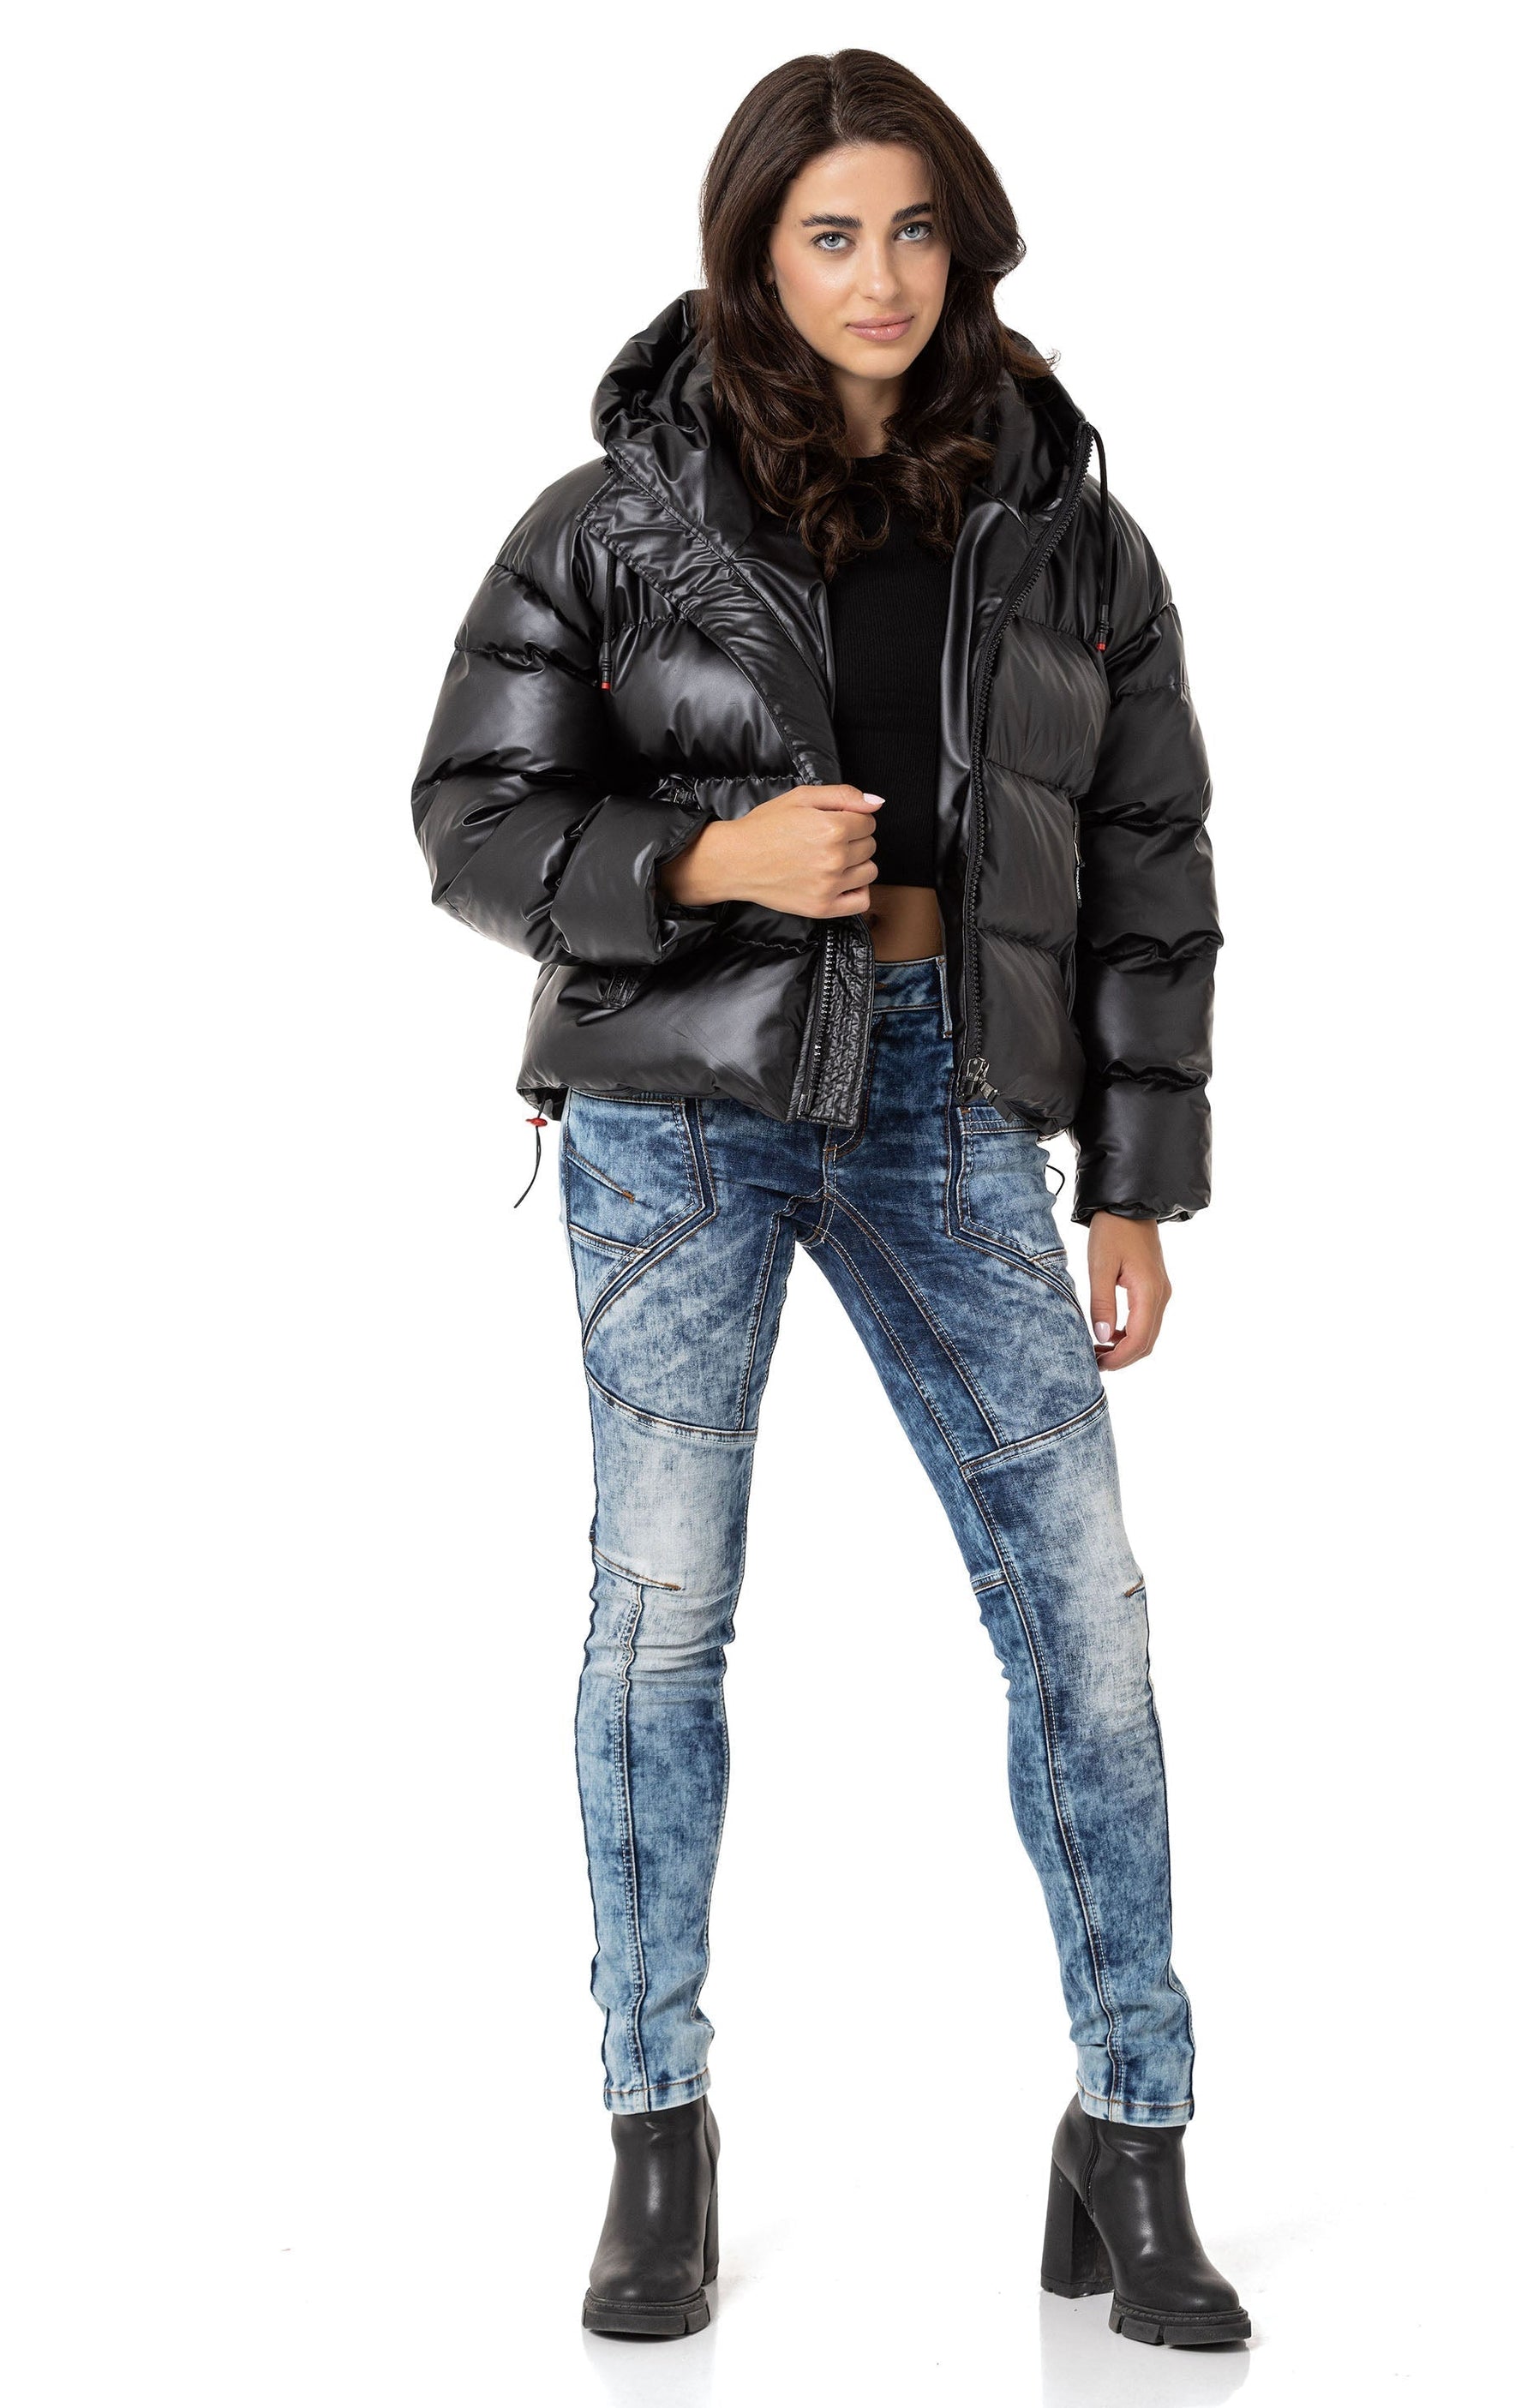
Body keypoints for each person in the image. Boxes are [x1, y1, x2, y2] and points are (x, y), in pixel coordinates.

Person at [409, 47, 1245, 2352]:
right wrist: (699, 860)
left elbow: (1152, 868)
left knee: (1082, 1617)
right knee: (660, 1616)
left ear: (966, 240)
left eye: (914, 228)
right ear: (754, 257)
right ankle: (655, 2134)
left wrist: (1137, 1185)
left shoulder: (1068, 535)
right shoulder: (615, 523)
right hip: (679, 1108)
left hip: (951, 1101)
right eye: (830, 234)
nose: (880, 277)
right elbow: (469, 816)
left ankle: (1133, 2133)